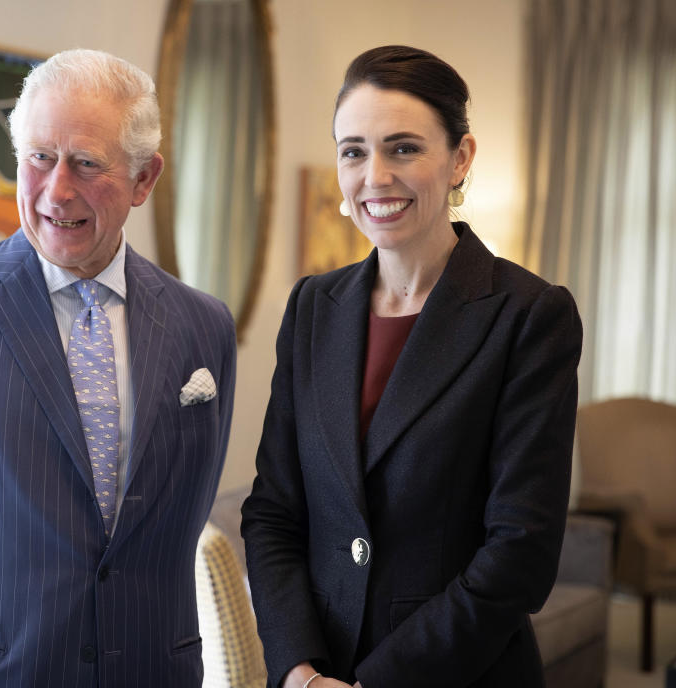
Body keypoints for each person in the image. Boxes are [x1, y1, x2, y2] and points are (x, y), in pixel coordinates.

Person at [0, 48, 236, 687]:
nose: (57, 190)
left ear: (145, 179)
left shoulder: (204, 327)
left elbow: (179, 512)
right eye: (39, 157)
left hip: (146, 668)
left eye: (87, 164)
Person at [240, 45, 583, 688]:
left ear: (461, 158)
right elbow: (273, 513)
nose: (374, 176)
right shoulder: (313, 305)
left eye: (403, 148)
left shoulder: (531, 316)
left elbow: (520, 554)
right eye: (353, 150)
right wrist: (299, 671)